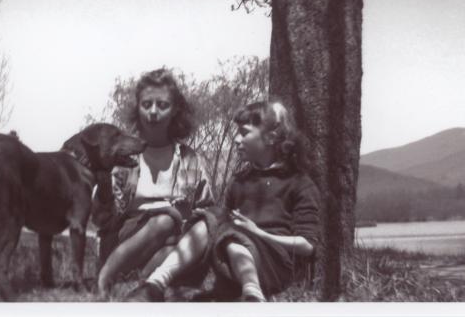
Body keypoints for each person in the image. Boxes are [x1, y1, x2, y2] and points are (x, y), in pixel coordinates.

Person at [125, 100, 321, 302]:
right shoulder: (240, 181)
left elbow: (307, 245)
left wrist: (258, 232)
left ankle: (254, 295)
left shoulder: (299, 183)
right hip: (230, 258)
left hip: (275, 266)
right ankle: (154, 284)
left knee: (230, 233)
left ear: (271, 138)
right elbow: (218, 228)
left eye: (244, 133)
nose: (236, 139)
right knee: (214, 217)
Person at [92, 68, 214, 295]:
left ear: (176, 109)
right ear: (137, 109)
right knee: (164, 221)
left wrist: (189, 215)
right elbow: (102, 219)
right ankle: (108, 274)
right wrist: (103, 187)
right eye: (146, 105)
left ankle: (144, 282)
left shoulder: (189, 159)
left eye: (162, 105)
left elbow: (207, 212)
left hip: (174, 243)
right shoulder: (124, 158)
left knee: (183, 235)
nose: (153, 112)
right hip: (127, 239)